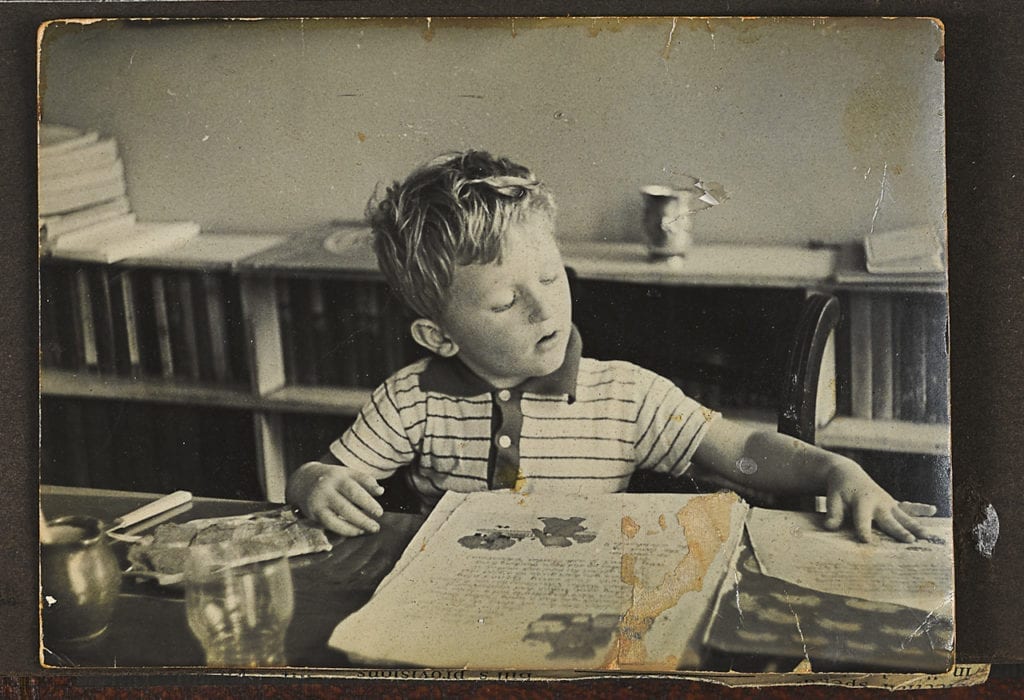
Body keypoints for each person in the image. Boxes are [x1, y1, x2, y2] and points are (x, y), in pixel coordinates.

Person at [286, 150, 936, 541]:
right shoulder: (411, 400)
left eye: (550, 277)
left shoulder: (623, 395)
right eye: (507, 301)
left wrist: (834, 471)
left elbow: (739, 450)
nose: (546, 307)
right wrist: (315, 483)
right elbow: (331, 475)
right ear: (438, 336)